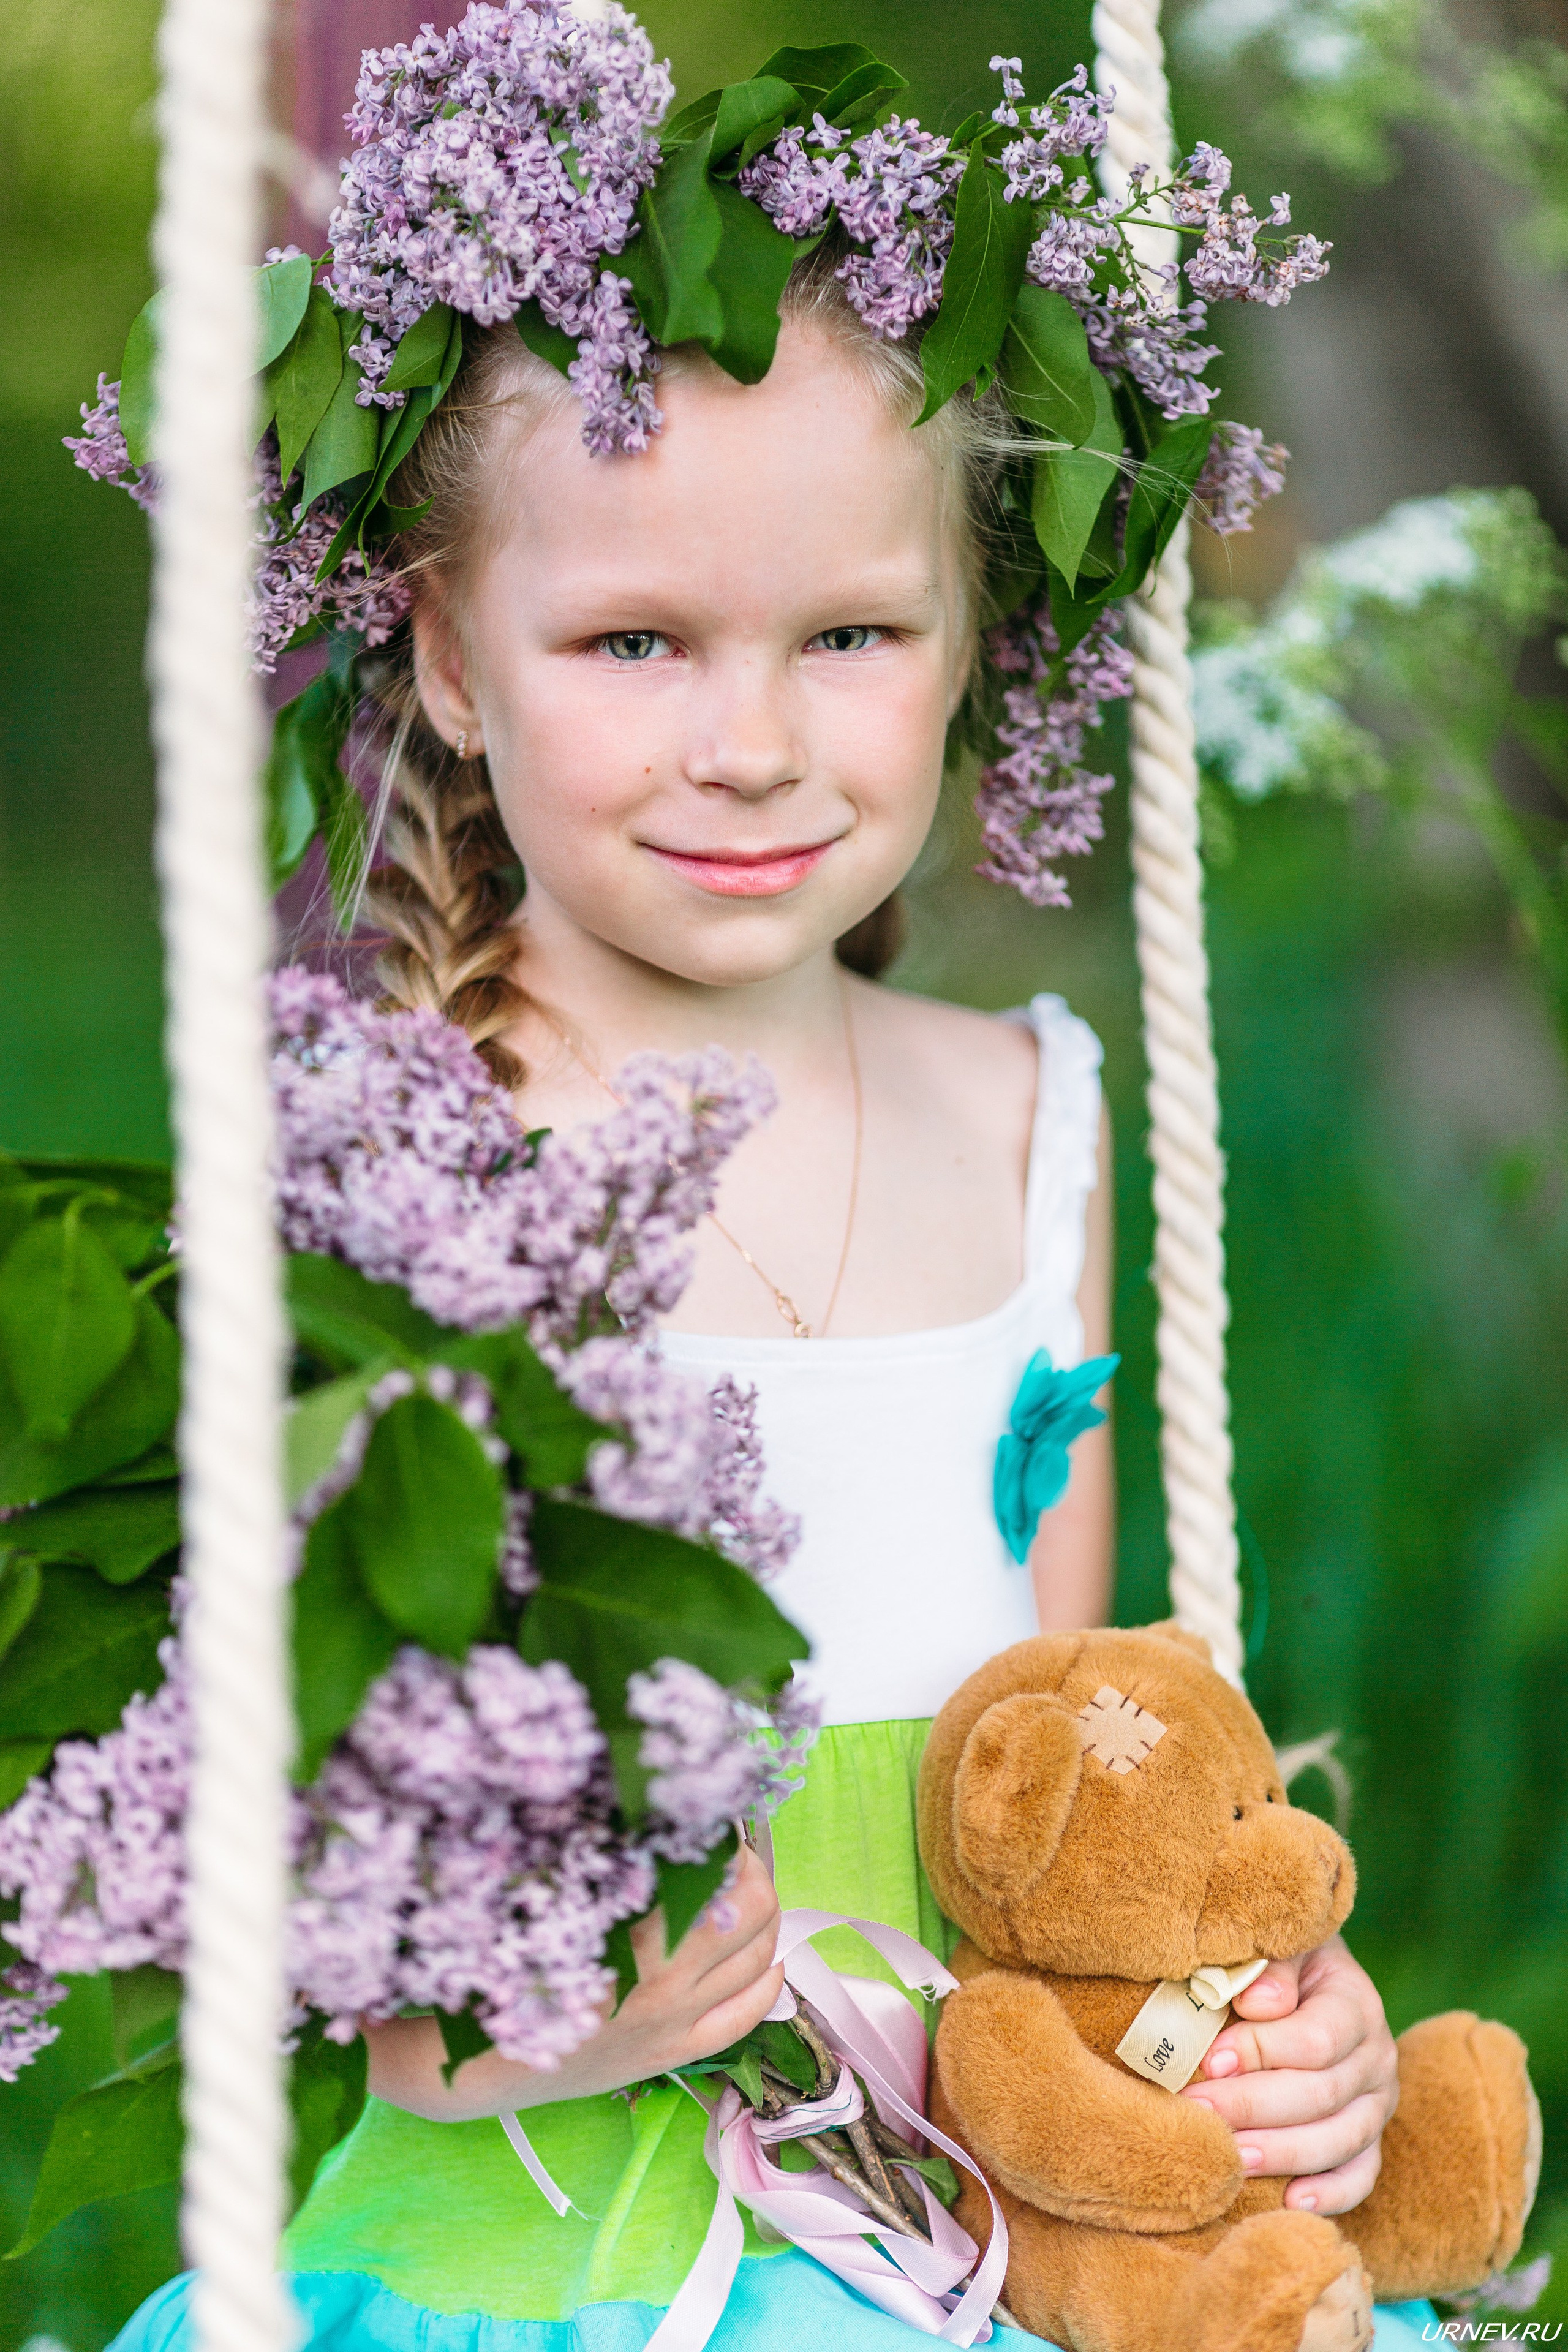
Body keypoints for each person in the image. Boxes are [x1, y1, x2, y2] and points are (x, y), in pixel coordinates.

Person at [111, 236, 1427, 2349]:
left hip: (1004, 2183)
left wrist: (1265, 2023)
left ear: (969, 637)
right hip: (573, 2208)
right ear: (452, 657)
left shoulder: (1029, 1117)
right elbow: (267, 1854)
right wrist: (507, 2034)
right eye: (634, 639)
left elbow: (1086, 1745)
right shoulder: (384, 1164)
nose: (749, 740)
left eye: (848, 634)